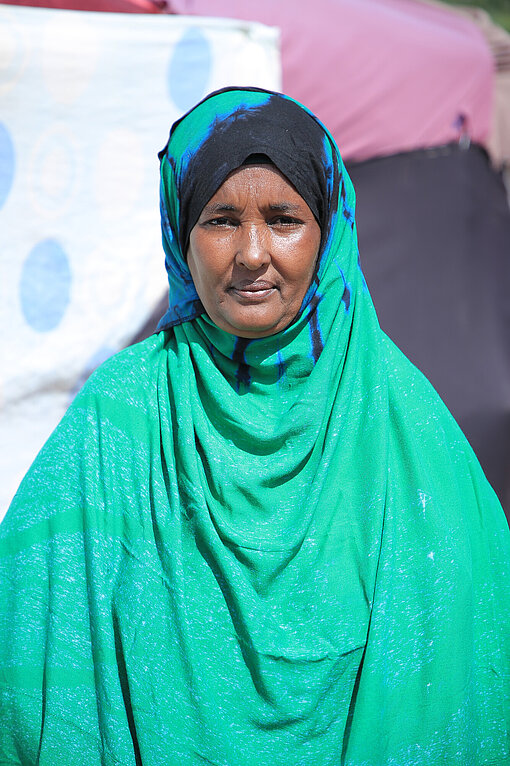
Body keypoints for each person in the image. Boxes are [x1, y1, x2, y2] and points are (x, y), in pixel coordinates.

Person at [0, 87, 509, 765]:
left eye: (283, 218)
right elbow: (31, 638)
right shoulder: (119, 419)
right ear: (180, 233)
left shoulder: (400, 426)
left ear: (330, 233)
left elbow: (465, 660)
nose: (251, 254)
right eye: (219, 220)